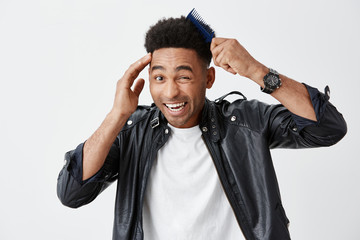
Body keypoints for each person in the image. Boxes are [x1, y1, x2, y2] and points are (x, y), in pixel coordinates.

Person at [57, 16, 347, 240]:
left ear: (209, 78)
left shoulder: (245, 122)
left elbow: (328, 128)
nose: (170, 92)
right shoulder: (132, 131)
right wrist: (117, 115)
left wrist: (256, 70)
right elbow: (71, 193)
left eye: (183, 77)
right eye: (159, 78)